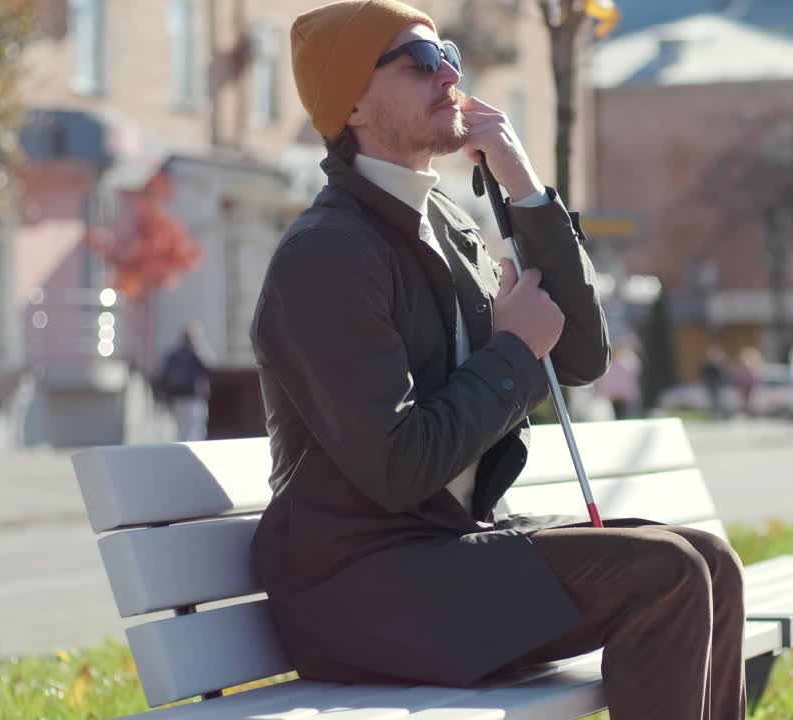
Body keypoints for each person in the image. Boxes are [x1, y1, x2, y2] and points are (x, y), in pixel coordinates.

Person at [248, 3, 745, 719]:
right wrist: (511, 350)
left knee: (712, 564)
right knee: (664, 574)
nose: (450, 73)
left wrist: (526, 188)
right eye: (420, 62)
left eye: (448, 54)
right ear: (352, 100)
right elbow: (399, 466)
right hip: (360, 588)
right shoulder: (328, 255)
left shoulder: (448, 221)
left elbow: (577, 356)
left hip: (445, 554)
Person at [154, 323, 210, 441]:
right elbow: (209, 370)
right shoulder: (196, 355)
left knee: (181, 430)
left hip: (176, 399)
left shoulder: (172, 355)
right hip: (192, 398)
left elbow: (162, 378)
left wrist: (163, 398)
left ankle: (182, 452)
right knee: (194, 431)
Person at [595, 339, 642, 419]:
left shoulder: (628, 361)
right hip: (611, 397)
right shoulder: (608, 363)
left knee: (626, 416)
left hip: (624, 398)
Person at [702, 346, 730, 420]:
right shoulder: (708, 365)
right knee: (714, 401)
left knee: (723, 400)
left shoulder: (721, 364)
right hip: (712, 385)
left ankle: (723, 414)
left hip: (720, 385)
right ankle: (715, 414)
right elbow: (705, 375)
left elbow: (725, 374)